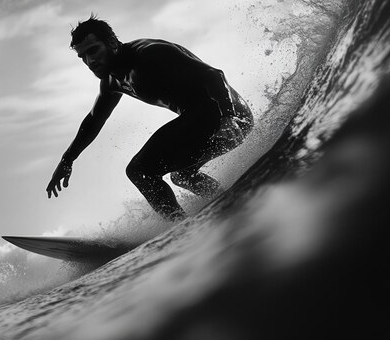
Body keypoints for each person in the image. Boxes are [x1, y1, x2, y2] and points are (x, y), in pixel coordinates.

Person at [46, 15, 253, 220]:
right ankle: (233, 204)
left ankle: (181, 229)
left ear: (111, 42)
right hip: (206, 119)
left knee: (140, 170)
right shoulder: (112, 82)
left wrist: (228, 117)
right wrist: (67, 160)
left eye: (93, 51)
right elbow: (93, 120)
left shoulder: (150, 54)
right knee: (182, 175)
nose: (90, 61)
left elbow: (214, 75)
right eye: (83, 57)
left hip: (225, 115)